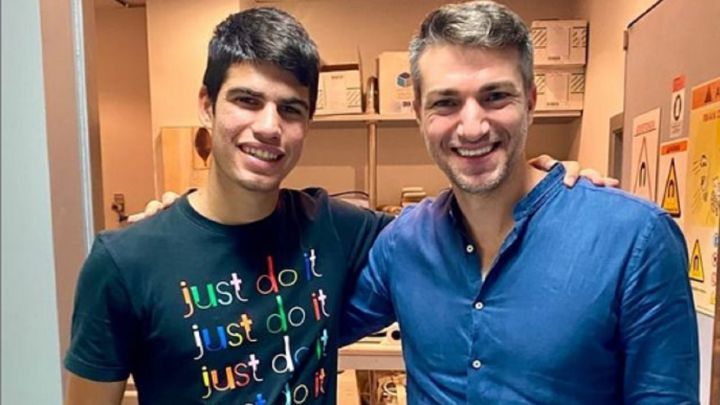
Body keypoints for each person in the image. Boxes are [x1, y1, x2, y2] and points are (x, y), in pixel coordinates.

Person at [64, 5, 612, 405]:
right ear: (207, 105)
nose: (268, 128)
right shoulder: (124, 261)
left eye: (291, 109)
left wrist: (540, 177)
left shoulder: (339, 228)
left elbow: (461, 221)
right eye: (247, 101)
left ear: (308, 123)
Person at [340, 1, 700, 404]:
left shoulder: (635, 238)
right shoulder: (404, 242)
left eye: (495, 97)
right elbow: (305, 329)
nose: (473, 126)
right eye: (446, 102)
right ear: (418, 114)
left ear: (531, 100)